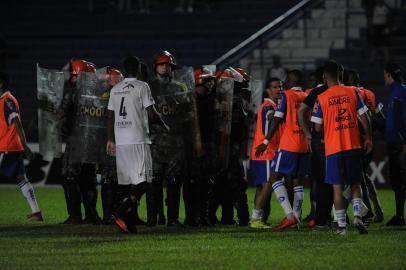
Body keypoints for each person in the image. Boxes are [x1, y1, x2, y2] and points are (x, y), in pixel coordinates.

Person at [106, 56, 169, 233]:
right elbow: (152, 113)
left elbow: (110, 116)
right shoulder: (143, 86)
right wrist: (166, 126)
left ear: (124, 70)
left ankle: (129, 225)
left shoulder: (115, 89)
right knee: (145, 183)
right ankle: (119, 212)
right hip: (138, 140)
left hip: (121, 142)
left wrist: (110, 139)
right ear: (139, 70)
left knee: (128, 185)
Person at [310, 61, 372, 235]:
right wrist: (369, 138)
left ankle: (342, 227)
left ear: (324, 77)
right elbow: (365, 117)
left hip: (333, 148)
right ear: (340, 74)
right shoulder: (353, 91)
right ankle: (358, 216)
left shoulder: (321, 98)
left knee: (337, 188)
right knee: (355, 184)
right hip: (353, 145)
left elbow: (317, 127)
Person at [255, 70, 309, 230]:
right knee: (297, 181)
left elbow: (278, 118)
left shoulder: (287, 95)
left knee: (273, 178)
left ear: (290, 81)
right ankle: (297, 217)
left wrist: (266, 141)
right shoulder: (306, 95)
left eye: (284, 82)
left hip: (289, 144)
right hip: (304, 144)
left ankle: (290, 216)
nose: (282, 85)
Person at [59, 59, 102, 225]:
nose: (71, 78)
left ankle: (75, 215)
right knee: (89, 180)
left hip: (76, 142)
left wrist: (61, 131)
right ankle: (92, 215)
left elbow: (62, 116)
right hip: (93, 143)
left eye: (74, 74)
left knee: (69, 177)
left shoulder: (73, 93)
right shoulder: (99, 94)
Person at [149, 50, 188, 228]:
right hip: (155, 142)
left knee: (174, 182)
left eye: (168, 65)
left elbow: (188, 113)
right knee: (154, 181)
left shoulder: (180, 87)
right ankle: (155, 217)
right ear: (156, 66)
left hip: (176, 142)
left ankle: (172, 218)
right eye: (162, 64)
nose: (165, 67)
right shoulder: (147, 87)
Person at [0, 72, 43, 221]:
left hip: (7, 147)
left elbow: (17, 123)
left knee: (21, 178)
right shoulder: (4, 100)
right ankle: (36, 212)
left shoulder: (8, 101)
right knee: (21, 179)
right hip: (13, 147)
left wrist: (26, 146)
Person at [347, 70, 384, 223]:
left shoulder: (352, 93)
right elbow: (376, 116)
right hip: (369, 140)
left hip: (358, 141)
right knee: (364, 176)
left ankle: (367, 212)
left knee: (359, 178)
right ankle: (377, 210)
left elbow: (362, 117)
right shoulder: (369, 93)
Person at [297, 66, 331, 228]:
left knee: (318, 180)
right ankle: (331, 217)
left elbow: (301, 111)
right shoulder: (345, 92)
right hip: (333, 141)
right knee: (335, 180)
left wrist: (308, 134)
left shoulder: (316, 93)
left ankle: (320, 216)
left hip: (318, 141)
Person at [249, 77, 283, 228]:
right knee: (268, 185)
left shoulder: (269, 106)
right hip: (266, 153)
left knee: (262, 187)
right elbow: (270, 119)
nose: (278, 90)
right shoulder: (269, 107)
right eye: (275, 87)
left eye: (280, 87)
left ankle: (258, 218)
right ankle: (256, 218)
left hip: (259, 153)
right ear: (268, 91)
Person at [383, 63, 406, 226]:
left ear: (389, 75)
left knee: (402, 180)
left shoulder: (401, 90)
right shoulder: (394, 93)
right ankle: (399, 216)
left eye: (384, 75)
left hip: (400, 144)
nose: (383, 78)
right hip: (393, 143)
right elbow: (391, 123)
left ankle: (400, 216)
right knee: (397, 180)